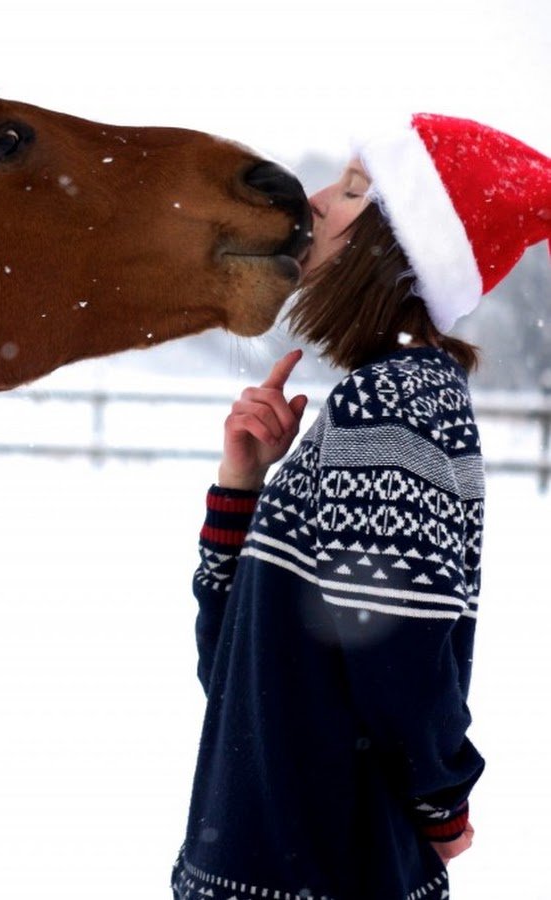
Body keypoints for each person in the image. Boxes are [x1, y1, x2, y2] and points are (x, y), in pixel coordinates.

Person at [172, 113, 550, 900]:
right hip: (272, 868)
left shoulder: (399, 406)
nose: (315, 200)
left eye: (352, 191)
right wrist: (241, 488)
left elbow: (399, 657)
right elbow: (235, 665)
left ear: (401, 248)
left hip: (327, 874)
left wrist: (442, 803)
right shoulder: (369, 403)